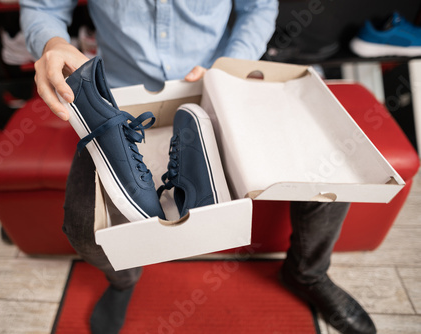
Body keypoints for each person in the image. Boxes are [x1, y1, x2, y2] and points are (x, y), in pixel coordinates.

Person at [19, 1, 376, 334]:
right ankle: (123, 279)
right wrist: (52, 43)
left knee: (326, 170)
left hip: (217, 80)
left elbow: (260, 7)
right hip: (122, 96)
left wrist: (228, 67)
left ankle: (307, 274)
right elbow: (41, 6)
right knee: (83, 226)